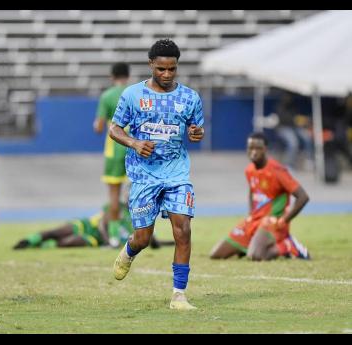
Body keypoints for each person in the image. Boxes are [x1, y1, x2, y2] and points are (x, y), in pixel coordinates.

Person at [109, 39, 205, 310]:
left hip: (177, 173)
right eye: (161, 69)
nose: (166, 74)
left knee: (183, 230)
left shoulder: (190, 98)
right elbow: (114, 130)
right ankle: (129, 250)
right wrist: (135, 143)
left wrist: (197, 134)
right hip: (144, 176)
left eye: (171, 69)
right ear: (151, 64)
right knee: (144, 238)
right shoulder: (132, 95)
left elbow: (196, 132)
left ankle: (179, 296)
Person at [209, 132, 310, 261]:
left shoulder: (278, 170)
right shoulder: (249, 170)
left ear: (265, 150)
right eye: (251, 148)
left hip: (273, 221)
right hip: (255, 220)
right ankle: (250, 244)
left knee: (256, 256)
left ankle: (287, 245)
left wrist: (284, 220)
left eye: (258, 148)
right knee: (216, 254)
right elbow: (252, 191)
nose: (254, 152)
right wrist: (251, 213)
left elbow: (303, 197)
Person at [12, 202, 174, 250]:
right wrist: (109, 240)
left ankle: (42, 246)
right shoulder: (117, 207)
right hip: (88, 226)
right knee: (58, 231)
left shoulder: (139, 221)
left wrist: (171, 243)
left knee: (68, 242)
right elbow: (103, 223)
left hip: (94, 239)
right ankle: (30, 240)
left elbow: (150, 240)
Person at [93, 62, 130, 248]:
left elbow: (99, 127)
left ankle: (115, 237)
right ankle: (138, 232)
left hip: (114, 149)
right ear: (128, 76)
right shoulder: (135, 93)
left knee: (114, 195)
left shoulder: (107, 96)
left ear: (112, 76)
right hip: (134, 147)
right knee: (137, 193)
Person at [274, 91, 314, 170]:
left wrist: (303, 121)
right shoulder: (280, 106)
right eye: (287, 97)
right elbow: (284, 119)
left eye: (289, 97)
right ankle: (288, 165)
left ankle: (309, 160)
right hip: (283, 127)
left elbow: (296, 118)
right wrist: (295, 120)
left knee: (307, 137)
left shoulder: (293, 106)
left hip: (294, 127)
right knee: (293, 143)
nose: (288, 99)